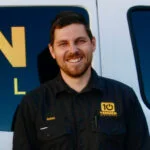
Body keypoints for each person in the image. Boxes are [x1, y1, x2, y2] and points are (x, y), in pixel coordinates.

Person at [13, 11, 149, 150]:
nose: (73, 50)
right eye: (63, 44)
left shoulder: (124, 97)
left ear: (93, 43)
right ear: (52, 51)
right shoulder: (33, 103)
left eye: (80, 41)